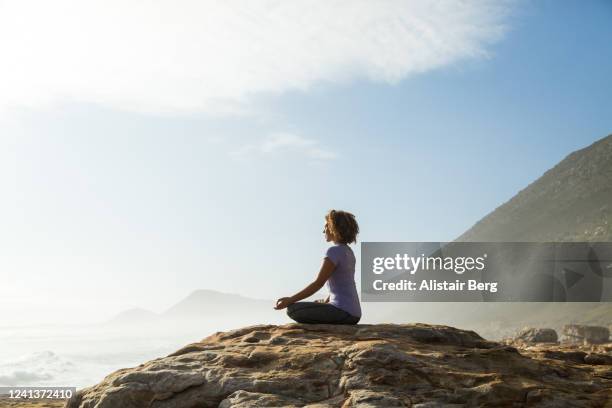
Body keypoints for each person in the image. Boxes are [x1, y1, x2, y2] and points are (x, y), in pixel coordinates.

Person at [274, 209, 362, 324]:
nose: (323, 230)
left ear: (333, 228)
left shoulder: (333, 251)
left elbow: (318, 283)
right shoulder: (348, 252)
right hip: (354, 314)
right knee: (311, 305)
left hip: (342, 312)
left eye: (326, 226)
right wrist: (325, 303)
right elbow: (341, 286)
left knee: (292, 309)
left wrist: (290, 300)